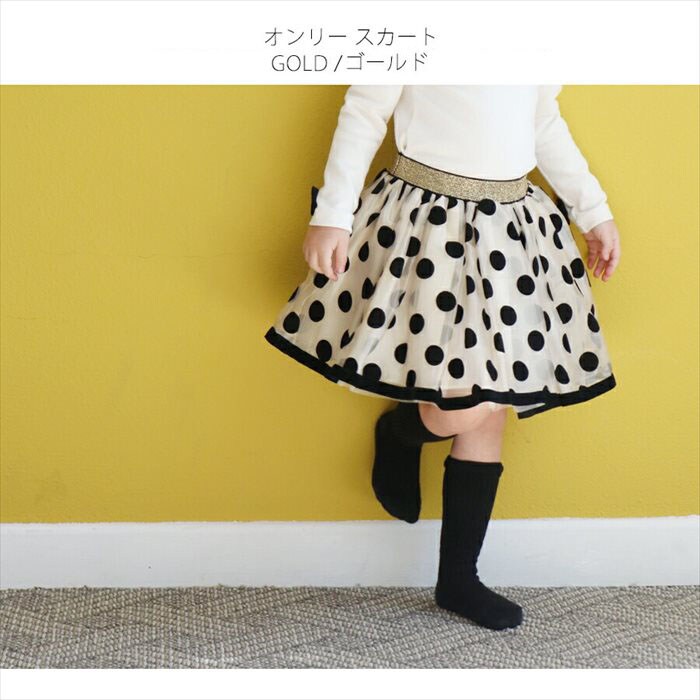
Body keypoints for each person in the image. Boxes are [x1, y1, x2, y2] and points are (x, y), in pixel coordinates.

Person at [263, 85, 621, 631]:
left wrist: (593, 211)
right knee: (466, 405)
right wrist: (333, 213)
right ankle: (403, 433)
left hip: (510, 233)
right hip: (428, 228)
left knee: (492, 403)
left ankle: (459, 578)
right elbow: (365, 111)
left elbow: (543, 120)